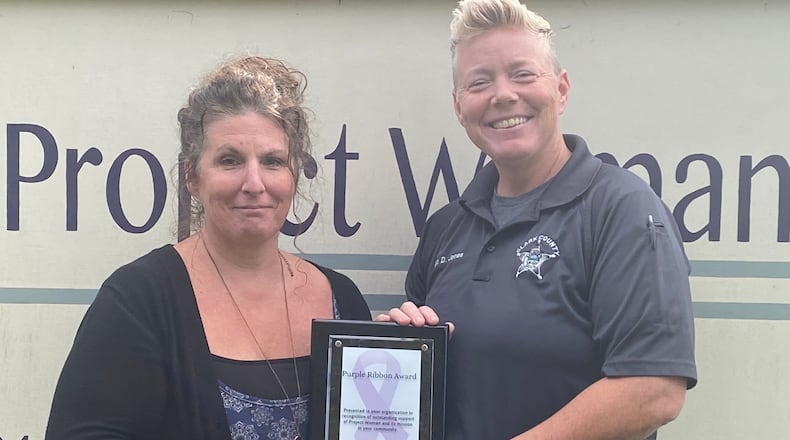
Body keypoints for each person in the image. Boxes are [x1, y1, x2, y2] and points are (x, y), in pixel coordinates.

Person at [377, 1, 697, 439]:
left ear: (561, 90)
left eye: (523, 74)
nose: (503, 95)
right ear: (458, 106)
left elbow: (655, 388)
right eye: (479, 82)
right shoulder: (446, 226)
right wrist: (398, 356)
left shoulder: (620, 209)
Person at [45, 55, 371, 440]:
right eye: (230, 160)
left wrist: (413, 353)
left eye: (272, 161)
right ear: (192, 177)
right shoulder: (139, 300)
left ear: (294, 174)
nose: (254, 183)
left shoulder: (343, 301)